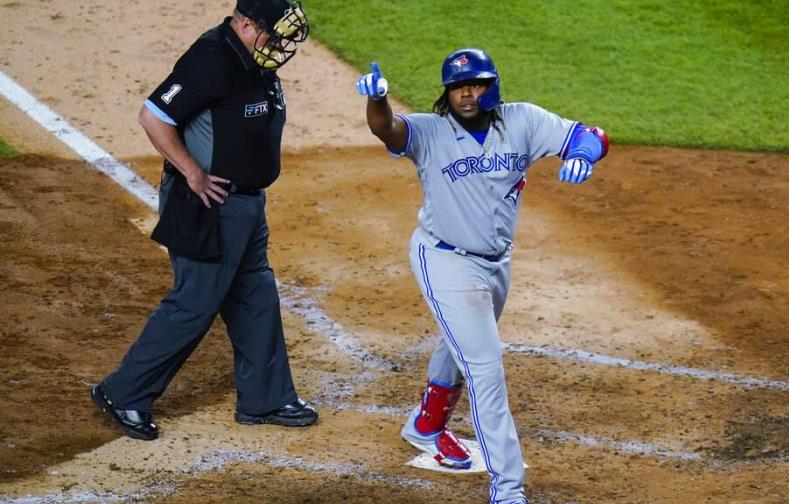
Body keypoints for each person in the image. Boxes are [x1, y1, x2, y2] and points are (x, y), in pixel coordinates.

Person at [356, 49, 608, 503]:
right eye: (456, 87)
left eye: (474, 84)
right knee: (486, 368)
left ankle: (426, 425)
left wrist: (584, 155)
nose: (466, 94)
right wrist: (378, 101)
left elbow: (588, 135)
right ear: (446, 93)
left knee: (463, 339)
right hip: (444, 259)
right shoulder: (431, 132)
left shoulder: (522, 122)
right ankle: (508, 490)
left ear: (490, 86)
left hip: (495, 262)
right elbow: (387, 130)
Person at [90, 0, 317, 441]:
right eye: (276, 33)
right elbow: (153, 115)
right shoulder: (212, 57)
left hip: (247, 205)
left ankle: (265, 398)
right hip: (209, 204)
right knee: (195, 302)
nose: (282, 44)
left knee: (256, 295)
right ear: (246, 24)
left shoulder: (254, 57)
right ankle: (124, 392)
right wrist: (192, 172)